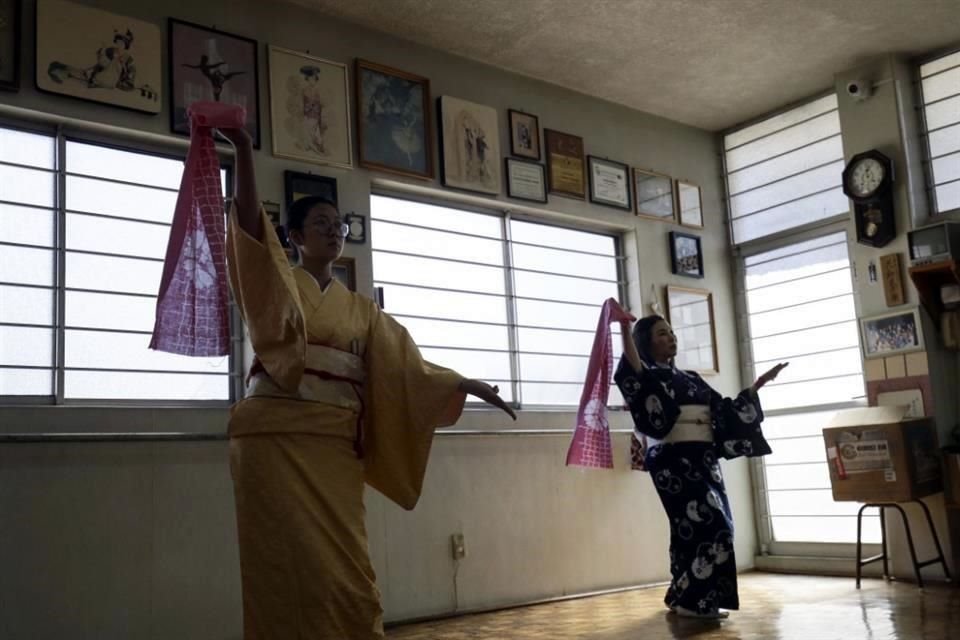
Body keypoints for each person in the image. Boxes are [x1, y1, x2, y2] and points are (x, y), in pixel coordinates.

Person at [218, 125, 515, 639]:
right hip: (272, 439)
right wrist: (244, 150)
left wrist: (462, 383)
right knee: (278, 567)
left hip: (333, 446)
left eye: (340, 225)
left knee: (348, 572)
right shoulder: (277, 283)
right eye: (320, 223)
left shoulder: (362, 311)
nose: (334, 231)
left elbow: (407, 368)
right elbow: (247, 232)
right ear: (293, 236)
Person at [612, 308, 787, 620]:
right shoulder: (648, 376)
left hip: (703, 458)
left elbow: (724, 411)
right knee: (710, 523)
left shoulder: (691, 379)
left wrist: (755, 388)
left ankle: (682, 595)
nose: (671, 338)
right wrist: (625, 328)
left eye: (672, 332)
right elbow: (633, 372)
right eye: (662, 334)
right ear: (646, 343)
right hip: (671, 460)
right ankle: (694, 602)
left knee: (690, 530)